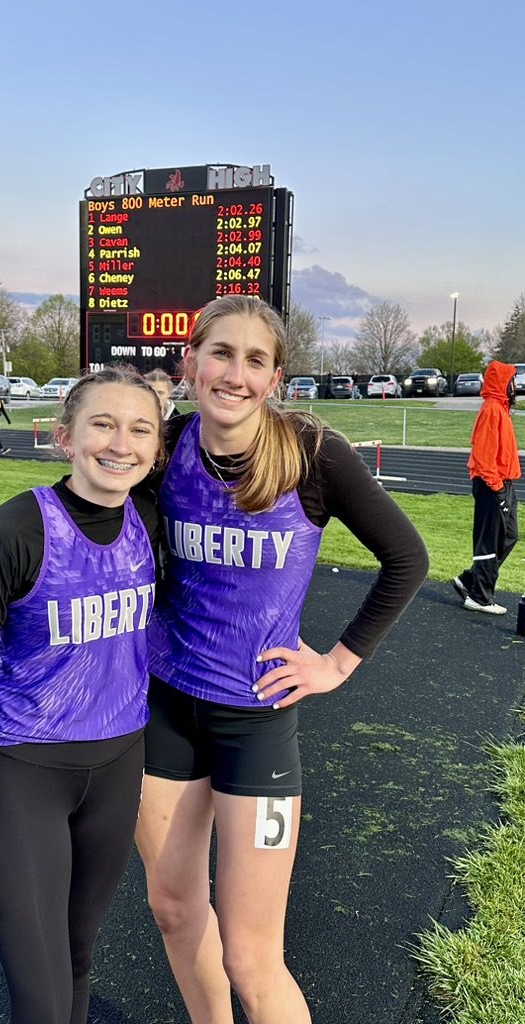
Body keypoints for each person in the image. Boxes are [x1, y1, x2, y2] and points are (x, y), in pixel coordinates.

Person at [134, 295, 429, 1024]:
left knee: (251, 957)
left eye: (254, 359)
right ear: (191, 361)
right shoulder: (163, 446)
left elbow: (407, 558)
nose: (234, 373)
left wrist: (336, 663)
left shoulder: (311, 452)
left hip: (255, 721)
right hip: (164, 705)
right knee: (173, 907)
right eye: (220, 353)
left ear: (275, 378)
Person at [0, 366, 165, 1024]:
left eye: (139, 429)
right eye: (102, 424)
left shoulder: (151, 521)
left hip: (117, 771)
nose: (120, 443)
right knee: (41, 998)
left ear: (155, 449)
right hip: (24, 773)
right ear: (64, 437)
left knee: (78, 958)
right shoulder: (13, 532)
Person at [452, 360, 520, 615]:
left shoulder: (500, 409)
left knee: (509, 535)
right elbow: (483, 457)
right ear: (502, 383)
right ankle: (479, 597)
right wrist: (497, 489)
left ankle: (470, 580)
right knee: (490, 542)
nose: (515, 387)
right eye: (512, 381)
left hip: (504, 483)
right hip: (493, 484)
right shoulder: (492, 410)